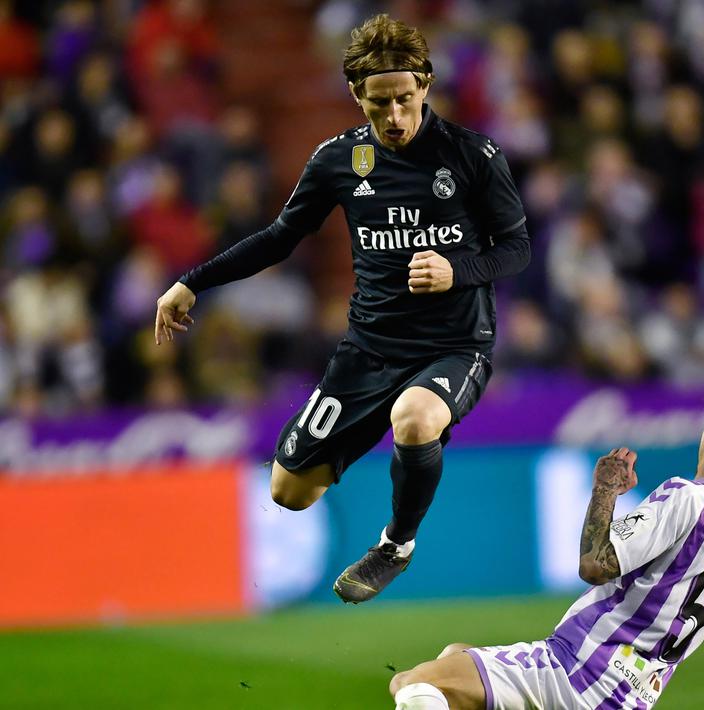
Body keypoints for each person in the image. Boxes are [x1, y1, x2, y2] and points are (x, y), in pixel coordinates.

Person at [152, 14, 530, 603]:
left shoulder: (472, 155)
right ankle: (383, 436)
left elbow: (517, 247)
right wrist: (193, 282)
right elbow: (279, 238)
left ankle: (395, 544)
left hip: (454, 347)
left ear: (426, 84)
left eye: (405, 99)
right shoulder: (337, 160)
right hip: (368, 350)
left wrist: (457, 271)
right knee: (288, 492)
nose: (395, 116)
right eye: (380, 103)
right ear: (356, 94)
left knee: (415, 417)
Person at [388, 380, 704, 710]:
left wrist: (606, 489)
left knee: (413, 685)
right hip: (629, 701)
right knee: (455, 654)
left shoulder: (689, 499)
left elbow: (595, 565)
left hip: (573, 671)